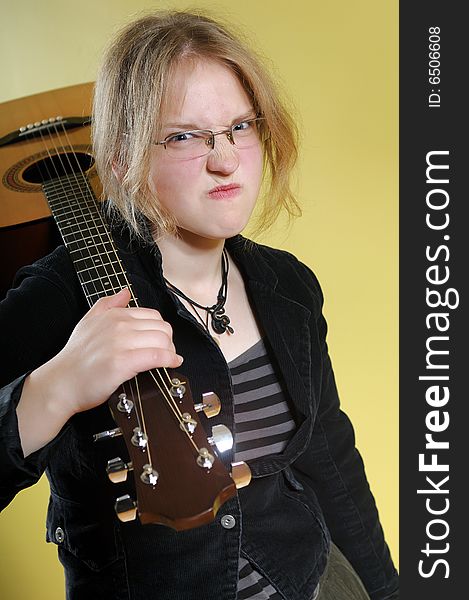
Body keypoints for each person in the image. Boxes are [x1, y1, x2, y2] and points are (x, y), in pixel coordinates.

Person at [0, 10, 399, 600]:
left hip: (313, 578)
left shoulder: (289, 286)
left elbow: (330, 461)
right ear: (121, 161)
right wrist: (54, 389)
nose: (226, 159)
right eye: (185, 136)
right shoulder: (61, 296)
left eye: (240, 126)